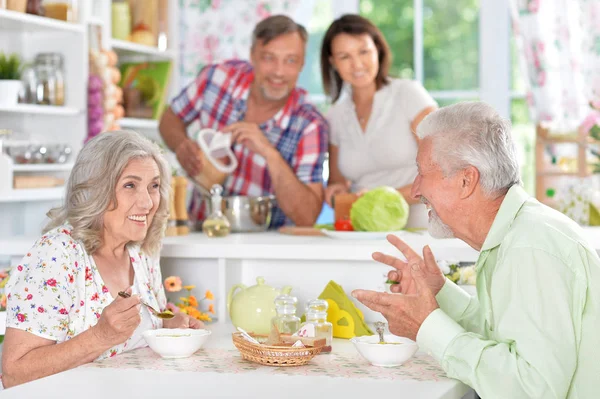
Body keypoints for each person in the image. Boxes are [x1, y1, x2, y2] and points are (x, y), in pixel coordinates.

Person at [352, 102, 600, 398]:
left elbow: (534, 388)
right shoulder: (517, 233)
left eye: (421, 172)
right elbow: (506, 337)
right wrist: (439, 291)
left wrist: (426, 326)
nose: (415, 191)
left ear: (466, 180)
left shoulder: (530, 248)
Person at [2, 131, 203, 388]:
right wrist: (100, 336)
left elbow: (141, 327)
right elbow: (14, 373)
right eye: (130, 185)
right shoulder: (58, 254)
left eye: (153, 186)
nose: (147, 202)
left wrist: (169, 325)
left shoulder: (141, 252)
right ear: (96, 190)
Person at [159, 15, 328, 229]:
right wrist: (181, 145)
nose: (279, 71)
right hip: (202, 231)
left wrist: (269, 152)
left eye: (291, 60)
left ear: (302, 64)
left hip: (269, 247)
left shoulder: (310, 124)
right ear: (252, 56)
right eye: (268, 58)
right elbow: (170, 117)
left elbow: (307, 217)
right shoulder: (218, 78)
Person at [320, 14, 437, 227]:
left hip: (421, 226)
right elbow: (337, 182)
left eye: (363, 51)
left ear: (378, 50)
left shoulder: (408, 94)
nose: (357, 64)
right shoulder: (335, 115)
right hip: (364, 229)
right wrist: (337, 191)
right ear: (332, 62)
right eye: (344, 56)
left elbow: (443, 171)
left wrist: (384, 198)